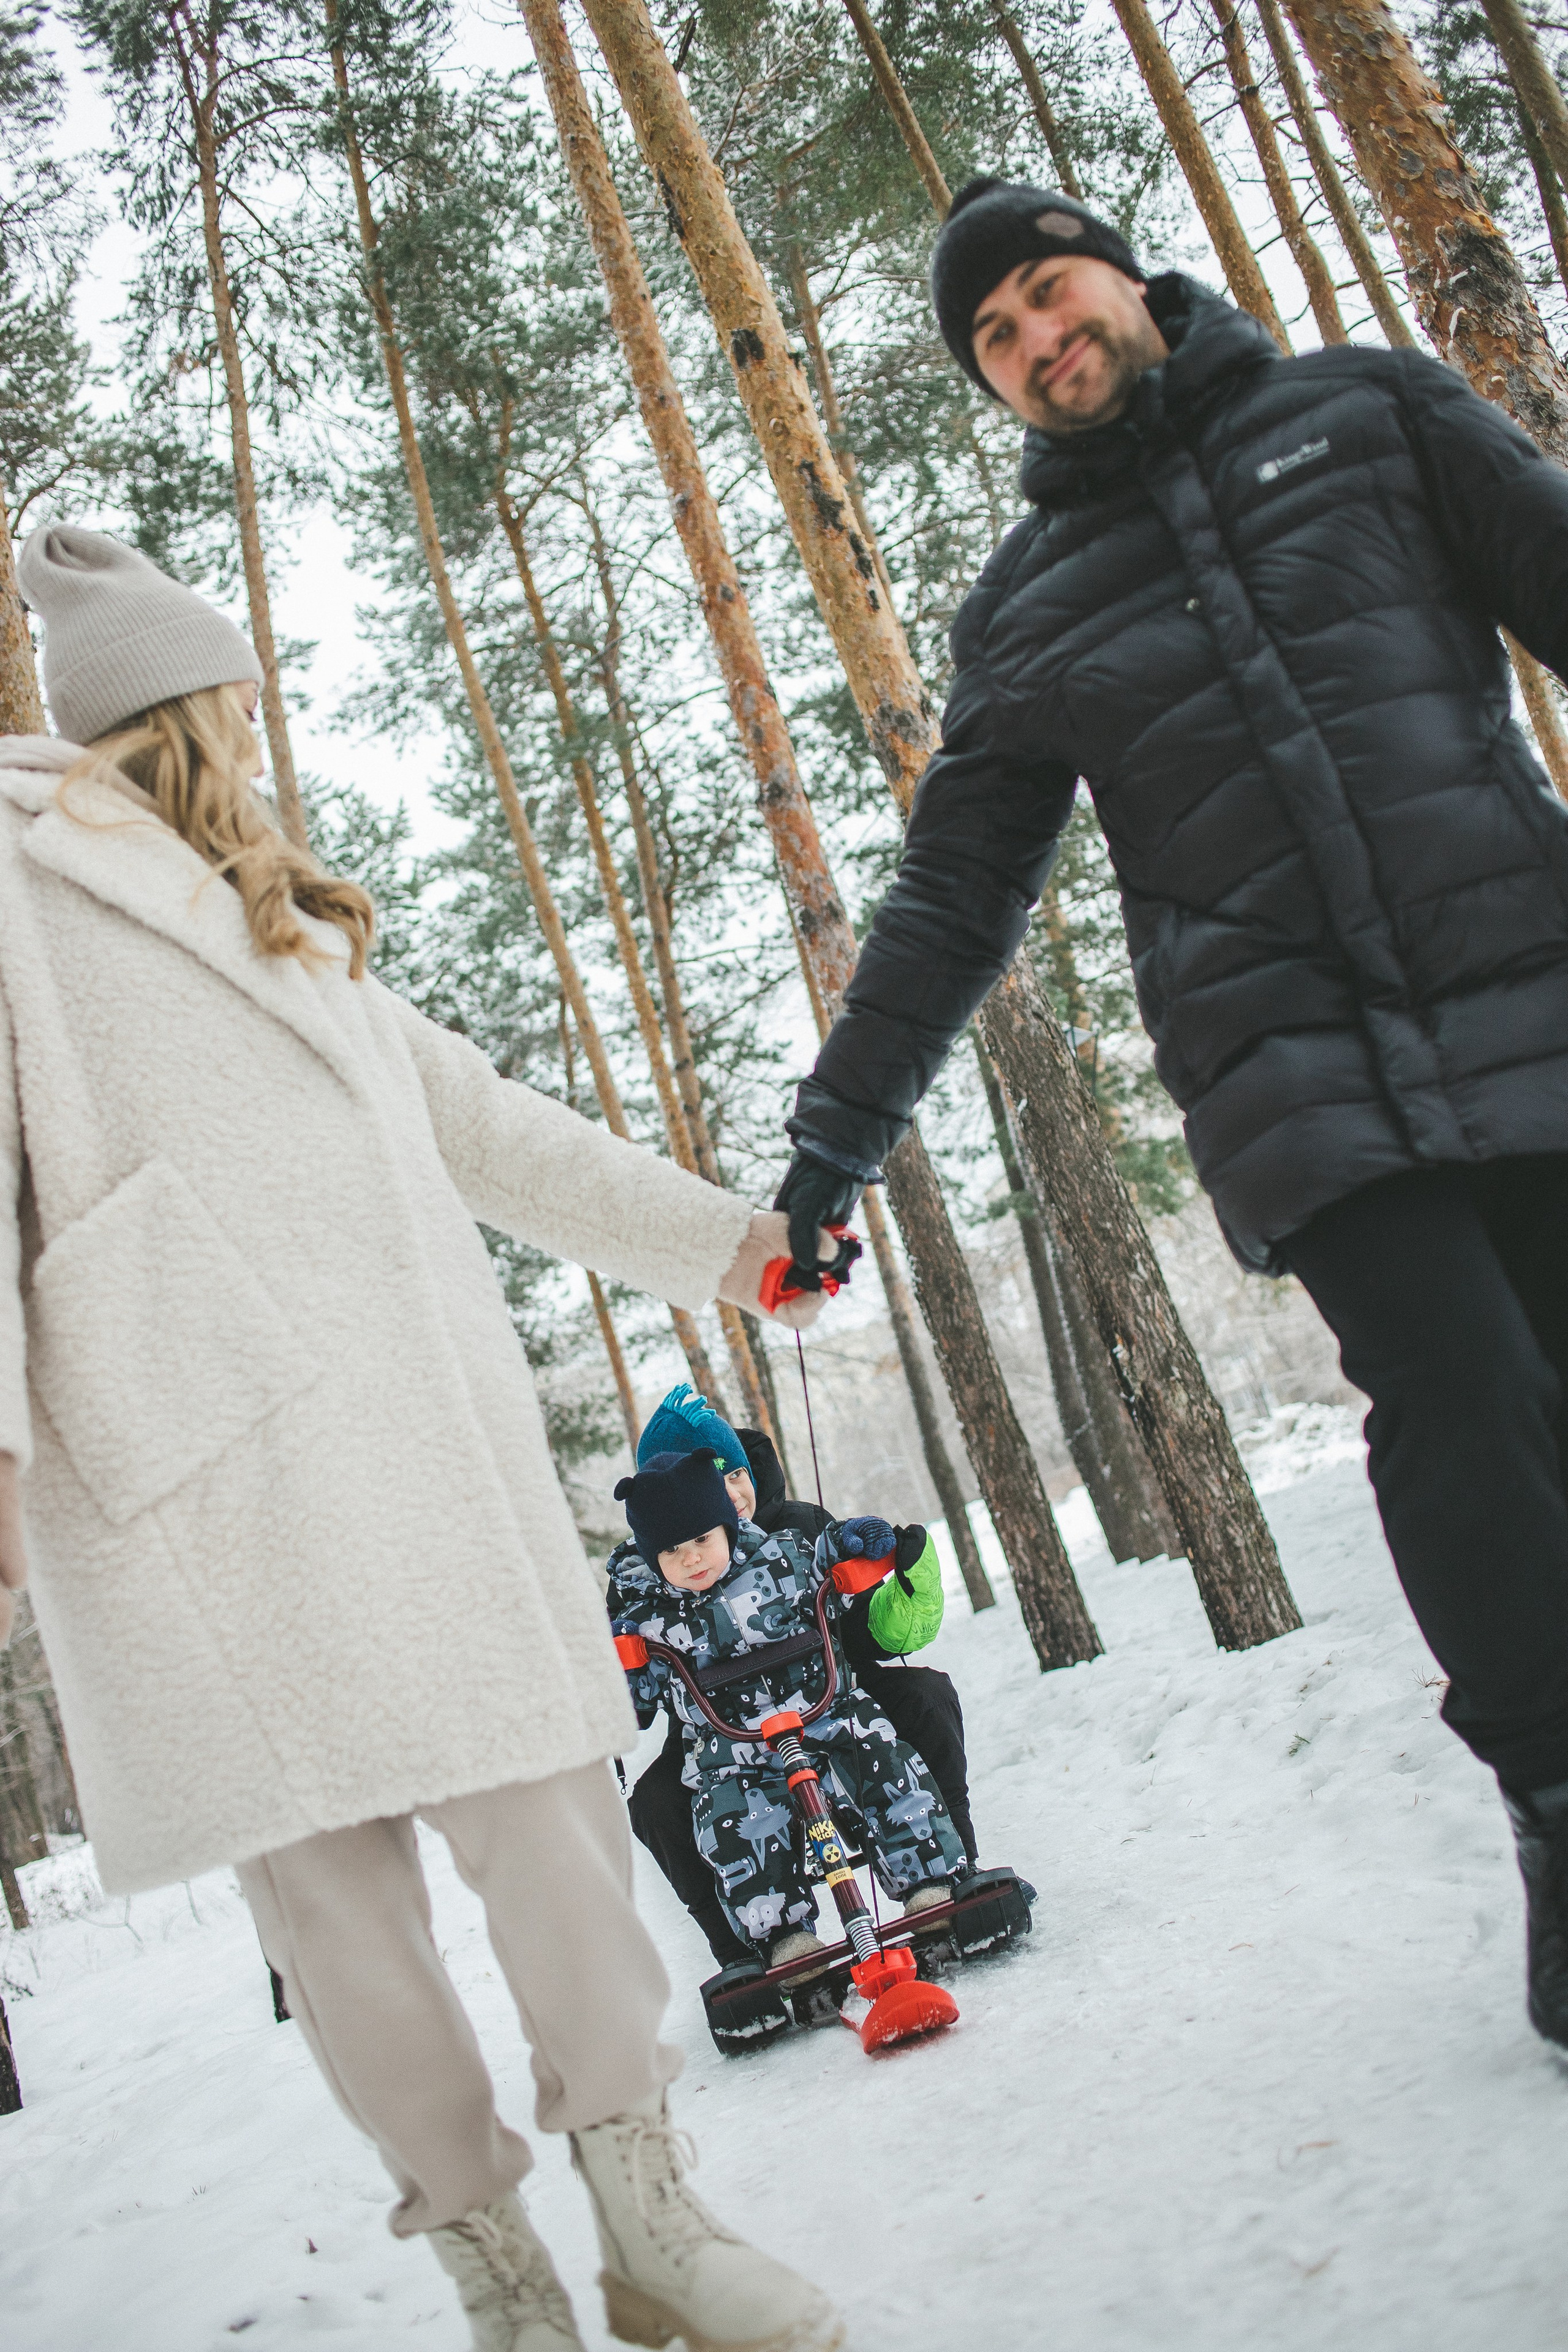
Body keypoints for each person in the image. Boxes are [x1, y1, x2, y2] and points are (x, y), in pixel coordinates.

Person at [0, 525, 848, 2352]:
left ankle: (652, 2224)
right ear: (190, 705)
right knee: (344, 1925)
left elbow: (501, 1131)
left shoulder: (292, 924)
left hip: (417, 1457)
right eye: (237, 690)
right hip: (198, 1480)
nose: (260, 717)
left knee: (557, 1839)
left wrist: (732, 1244)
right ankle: (504, 2282)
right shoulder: (15, 882)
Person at [771, 176, 1568, 2052]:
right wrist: (834, 1143)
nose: (1041, 342)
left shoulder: (1365, 416)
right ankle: (1553, 1805)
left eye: (1051, 296)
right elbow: (950, 900)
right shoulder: (1027, 614)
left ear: (1128, 278)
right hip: (1292, 1077)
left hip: (1527, 991)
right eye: (997, 339)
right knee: (1458, 1402)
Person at [613, 1390, 977, 1966]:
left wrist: (895, 1574)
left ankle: (951, 1882)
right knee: (662, 1802)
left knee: (918, 1704)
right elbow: (634, 1680)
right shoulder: (647, 1578)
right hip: (720, 1728)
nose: (732, 1494)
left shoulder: (798, 1532)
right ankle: (752, 1953)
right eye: (715, 1479)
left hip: (825, 1693)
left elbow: (857, 1631)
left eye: (736, 1473)